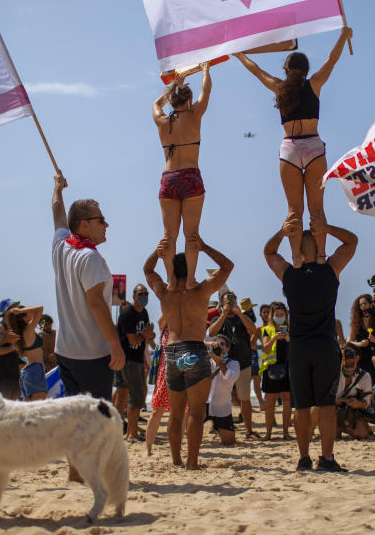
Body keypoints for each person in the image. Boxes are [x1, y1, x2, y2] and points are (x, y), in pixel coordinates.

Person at [235, 27, 353, 267]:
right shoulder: (315, 84)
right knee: (317, 209)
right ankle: (321, 257)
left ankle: (295, 259)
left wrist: (240, 55)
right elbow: (332, 60)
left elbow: (256, 71)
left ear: (286, 70)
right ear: (307, 70)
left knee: (294, 210)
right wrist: (343, 36)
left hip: (289, 148)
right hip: (313, 146)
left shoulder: (279, 87)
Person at [264, 218, 357, 472]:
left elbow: (268, 252)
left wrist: (282, 232)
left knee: (301, 406)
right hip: (325, 344)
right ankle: (326, 459)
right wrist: (329, 229)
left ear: (298, 250)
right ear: (319, 246)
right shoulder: (330, 269)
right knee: (326, 405)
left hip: (299, 347)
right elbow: (352, 241)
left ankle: (303, 458)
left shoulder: (288, 274)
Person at [144, 236, 232, 470]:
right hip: (194, 349)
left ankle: (176, 460)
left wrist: (158, 252)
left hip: (171, 351)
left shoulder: (164, 292)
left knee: (174, 413)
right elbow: (227, 266)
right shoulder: (201, 290)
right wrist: (204, 247)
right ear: (191, 268)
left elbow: (148, 270)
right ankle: (192, 462)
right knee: (194, 411)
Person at [51, 171, 126, 402]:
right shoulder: (89, 257)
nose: (106, 225)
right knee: (97, 421)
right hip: (91, 355)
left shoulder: (61, 245)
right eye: (101, 220)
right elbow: (96, 304)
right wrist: (115, 343)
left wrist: (57, 189)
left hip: (64, 351)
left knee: (76, 419)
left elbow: (58, 215)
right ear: (84, 224)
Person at [152, 62, 212, 290]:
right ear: (188, 100)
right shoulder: (194, 115)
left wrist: (171, 89)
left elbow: (155, 104)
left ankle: (170, 281)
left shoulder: (162, 121)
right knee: (191, 234)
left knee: (169, 235)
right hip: (190, 176)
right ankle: (190, 280)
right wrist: (205, 70)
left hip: (168, 178)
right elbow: (206, 92)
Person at [207, 291, 259, 439]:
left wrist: (240, 313)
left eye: (232, 301)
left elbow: (253, 330)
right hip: (222, 364)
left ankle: (248, 431)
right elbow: (211, 332)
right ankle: (218, 429)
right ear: (221, 303)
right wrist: (223, 314)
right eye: (227, 302)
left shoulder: (243, 318)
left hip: (243, 363)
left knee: (244, 399)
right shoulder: (218, 318)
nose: (230, 304)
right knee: (219, 398)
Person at [117, 284, 153, 441]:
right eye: (140, 293)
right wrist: (145, 335)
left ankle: (130, 431)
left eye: (146, 293)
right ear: (134, 296)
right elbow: (132, 341)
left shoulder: (143, 313)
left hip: (138, 359)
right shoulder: (128, 314)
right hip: (127, 359)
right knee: (134, 396)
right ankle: (131, 433)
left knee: (135, 394)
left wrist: (145, 359)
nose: (143, 296)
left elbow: (145, 337)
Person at [259, 301, 292, 440]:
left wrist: (289, 339)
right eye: (277, 314)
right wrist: (274, 338)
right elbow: (265, 348)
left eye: (281, 314)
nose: (279, 316)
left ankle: (285, 433)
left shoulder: (291, 329)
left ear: (286, 314)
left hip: (288, 368)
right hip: (271, 369)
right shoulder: (267, 329)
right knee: (270, 402)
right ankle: (268, 434)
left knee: (287, 401)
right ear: (272, 316)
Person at [1, 303, 46, 401]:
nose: (30, 311)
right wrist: (20, 310)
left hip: (26, 372)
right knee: (39, 406)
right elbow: (40, 309)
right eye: (27, 311)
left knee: (28, 406)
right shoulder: (28, 330)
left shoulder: (17, 336)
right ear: (23, 316)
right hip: (35, 370)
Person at [205, 335, 239, 446]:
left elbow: (230, 378)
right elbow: (194, 344)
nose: (218, 346)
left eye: (222, 344)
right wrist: (208, 345)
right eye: (215, 344)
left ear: (228, 349)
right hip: (203, 404)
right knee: (192, 435)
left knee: (229, 442)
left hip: (222, 408)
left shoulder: (234, 364)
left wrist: (219, 362)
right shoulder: (205, 361)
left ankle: (219, 432)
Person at [335, 345, 373, 439]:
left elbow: (366, 402)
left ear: (357, 357)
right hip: (331, 411)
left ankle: (343, 427)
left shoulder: (365, 376)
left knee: (362, 435)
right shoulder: (333, 371)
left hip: (349, 413)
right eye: (344, 353)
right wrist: (339, 362)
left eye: (350, 353)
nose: (347, 356)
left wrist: (358, 403)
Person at [146, 316, 171, 456]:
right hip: (165, 369)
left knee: (180, 412)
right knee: (157, 411)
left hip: (182, 367)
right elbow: (161, 321)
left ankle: (176, 447)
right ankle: (148, 448)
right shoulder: (167, 317)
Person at [0, 299, 23, 400]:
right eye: (13, 307)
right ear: (5, 311)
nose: (16, 309)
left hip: (14, 373)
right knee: (3, 405)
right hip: (3, 374)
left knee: (14, 404)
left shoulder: (14, 327)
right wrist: (13, 348)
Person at [347, 293, 375, 381]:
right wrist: (360, 344)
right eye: (361, 304)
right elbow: (349, 342)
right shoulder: (356, 323)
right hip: (362, 359)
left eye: (365, 303)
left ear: (371, 305)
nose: (363, 306)